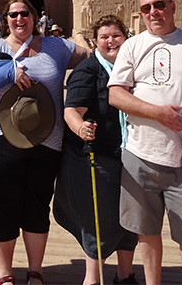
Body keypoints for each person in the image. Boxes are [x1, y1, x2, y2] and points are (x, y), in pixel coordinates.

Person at [0, 0, 90, 285]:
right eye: (13, 15)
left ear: (35, 17)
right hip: (3, 136)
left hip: (46, 136)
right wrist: (10, 71)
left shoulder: (56, 47)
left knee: (38, 202)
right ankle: (4, 273)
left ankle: (35, 270)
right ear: (5, 20)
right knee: (3, 203)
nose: (19, 19)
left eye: (24, 13)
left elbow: (89, 57)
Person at [108, 0, 182, 285]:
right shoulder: (133, 46)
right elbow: (116, 95)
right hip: (141, 153)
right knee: (146, 232)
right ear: (140, 14)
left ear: (173, 7)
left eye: (159, 5)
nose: (154, 13)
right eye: (146, 8)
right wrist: (158, 113)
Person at [54, 15, 138, 285]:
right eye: (104, 37)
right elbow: (71, 111)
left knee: (130, 216)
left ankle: (125, 275)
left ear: (126, 37)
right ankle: (92, 279)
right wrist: (81, 129)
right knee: (100, 218)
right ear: (95, 42)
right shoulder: (89, 70)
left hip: (130, 153)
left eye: (116, 35)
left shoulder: (133, 68)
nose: (110, 41)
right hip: (97, 155)